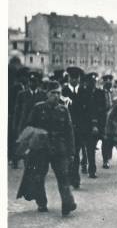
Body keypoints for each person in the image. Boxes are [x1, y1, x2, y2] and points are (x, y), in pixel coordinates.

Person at [19, 81, 77, 216]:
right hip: (41, 149)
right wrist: (28, 147)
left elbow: (69, 132)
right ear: (47, 94)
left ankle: (67, 203)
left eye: (58, 93)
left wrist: (71, 152)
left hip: (59, 149)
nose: (56, 96)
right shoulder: (38, 108)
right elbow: (29, 127)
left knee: (63, 176)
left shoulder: (64, 110)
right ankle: (42, 202)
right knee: (39, 177)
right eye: (53, 93)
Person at [62, 66, 89, 188]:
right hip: (65, 128)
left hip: (79, 129)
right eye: (71, 78)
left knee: (76, 153)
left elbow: (88, 111)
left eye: (76, 78)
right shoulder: (63, 91)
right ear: (68, 78)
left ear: (79, 79)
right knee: (67, 153)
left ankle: (75, 178)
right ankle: (69, 176)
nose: (74, 80)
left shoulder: (84, 91)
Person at [13, 71, 48, 167]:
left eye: (35, 81)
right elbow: (17, 111)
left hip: (38, 125)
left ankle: (33, 164)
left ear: (38, 83)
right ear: (28, 82)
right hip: (24, 124)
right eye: (31, 81)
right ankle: (19, 161)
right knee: (24, 145)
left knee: (35, 146)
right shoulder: (22, 94)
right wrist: (15, 125)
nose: (33, 83)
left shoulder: (43, 95)